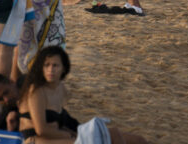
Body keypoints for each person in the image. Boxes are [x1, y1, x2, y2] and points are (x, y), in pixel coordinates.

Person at [17, 46, 146, 143]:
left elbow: (59, 122)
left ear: (63, 68)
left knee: (121, 135)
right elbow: (41, 130)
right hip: (36, 140)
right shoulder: (37, 91)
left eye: (55, 65)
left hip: (59, 135)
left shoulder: (60, 89)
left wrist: (72, 132)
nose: (51, 69)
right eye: (47, 65)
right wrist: (70, 135)